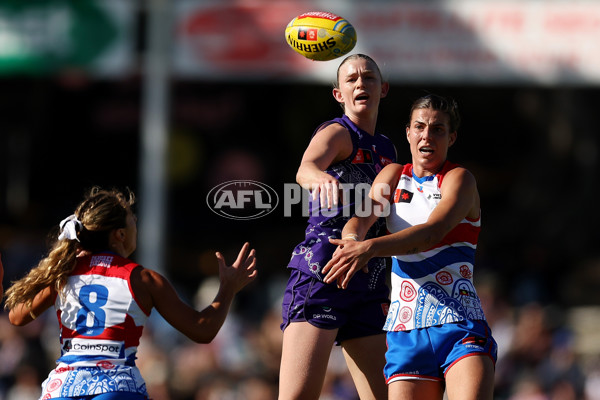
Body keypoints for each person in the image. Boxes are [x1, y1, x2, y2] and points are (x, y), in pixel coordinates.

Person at [3, 187, 257, 400]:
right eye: (133, 219)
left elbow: (17, 317)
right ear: (120, 235)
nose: (137, 225)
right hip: (117, 387)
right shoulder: (142, 278)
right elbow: (203, 329)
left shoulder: (63, 274)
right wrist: (227, 288)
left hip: (63, 388)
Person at [322, 93, 498, 400]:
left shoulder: (459, 179)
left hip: (459, 324)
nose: (427, 135)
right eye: (420, 126)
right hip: (405, 328)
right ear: (408, 132)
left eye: (438, 129)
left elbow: (431, 233)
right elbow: (359, 222)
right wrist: (352, 243)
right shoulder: (392, 175)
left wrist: (370, 248)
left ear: (451, 137)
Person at [279, 54, 397, 400]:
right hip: (323, 271)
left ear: (383, 89)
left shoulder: (387, 147)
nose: (361, 84)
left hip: (368, 277)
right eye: (352, 79)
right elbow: (305, 168)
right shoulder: (337, 132)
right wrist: (318, 177)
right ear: (338, 94)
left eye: (369, 78)